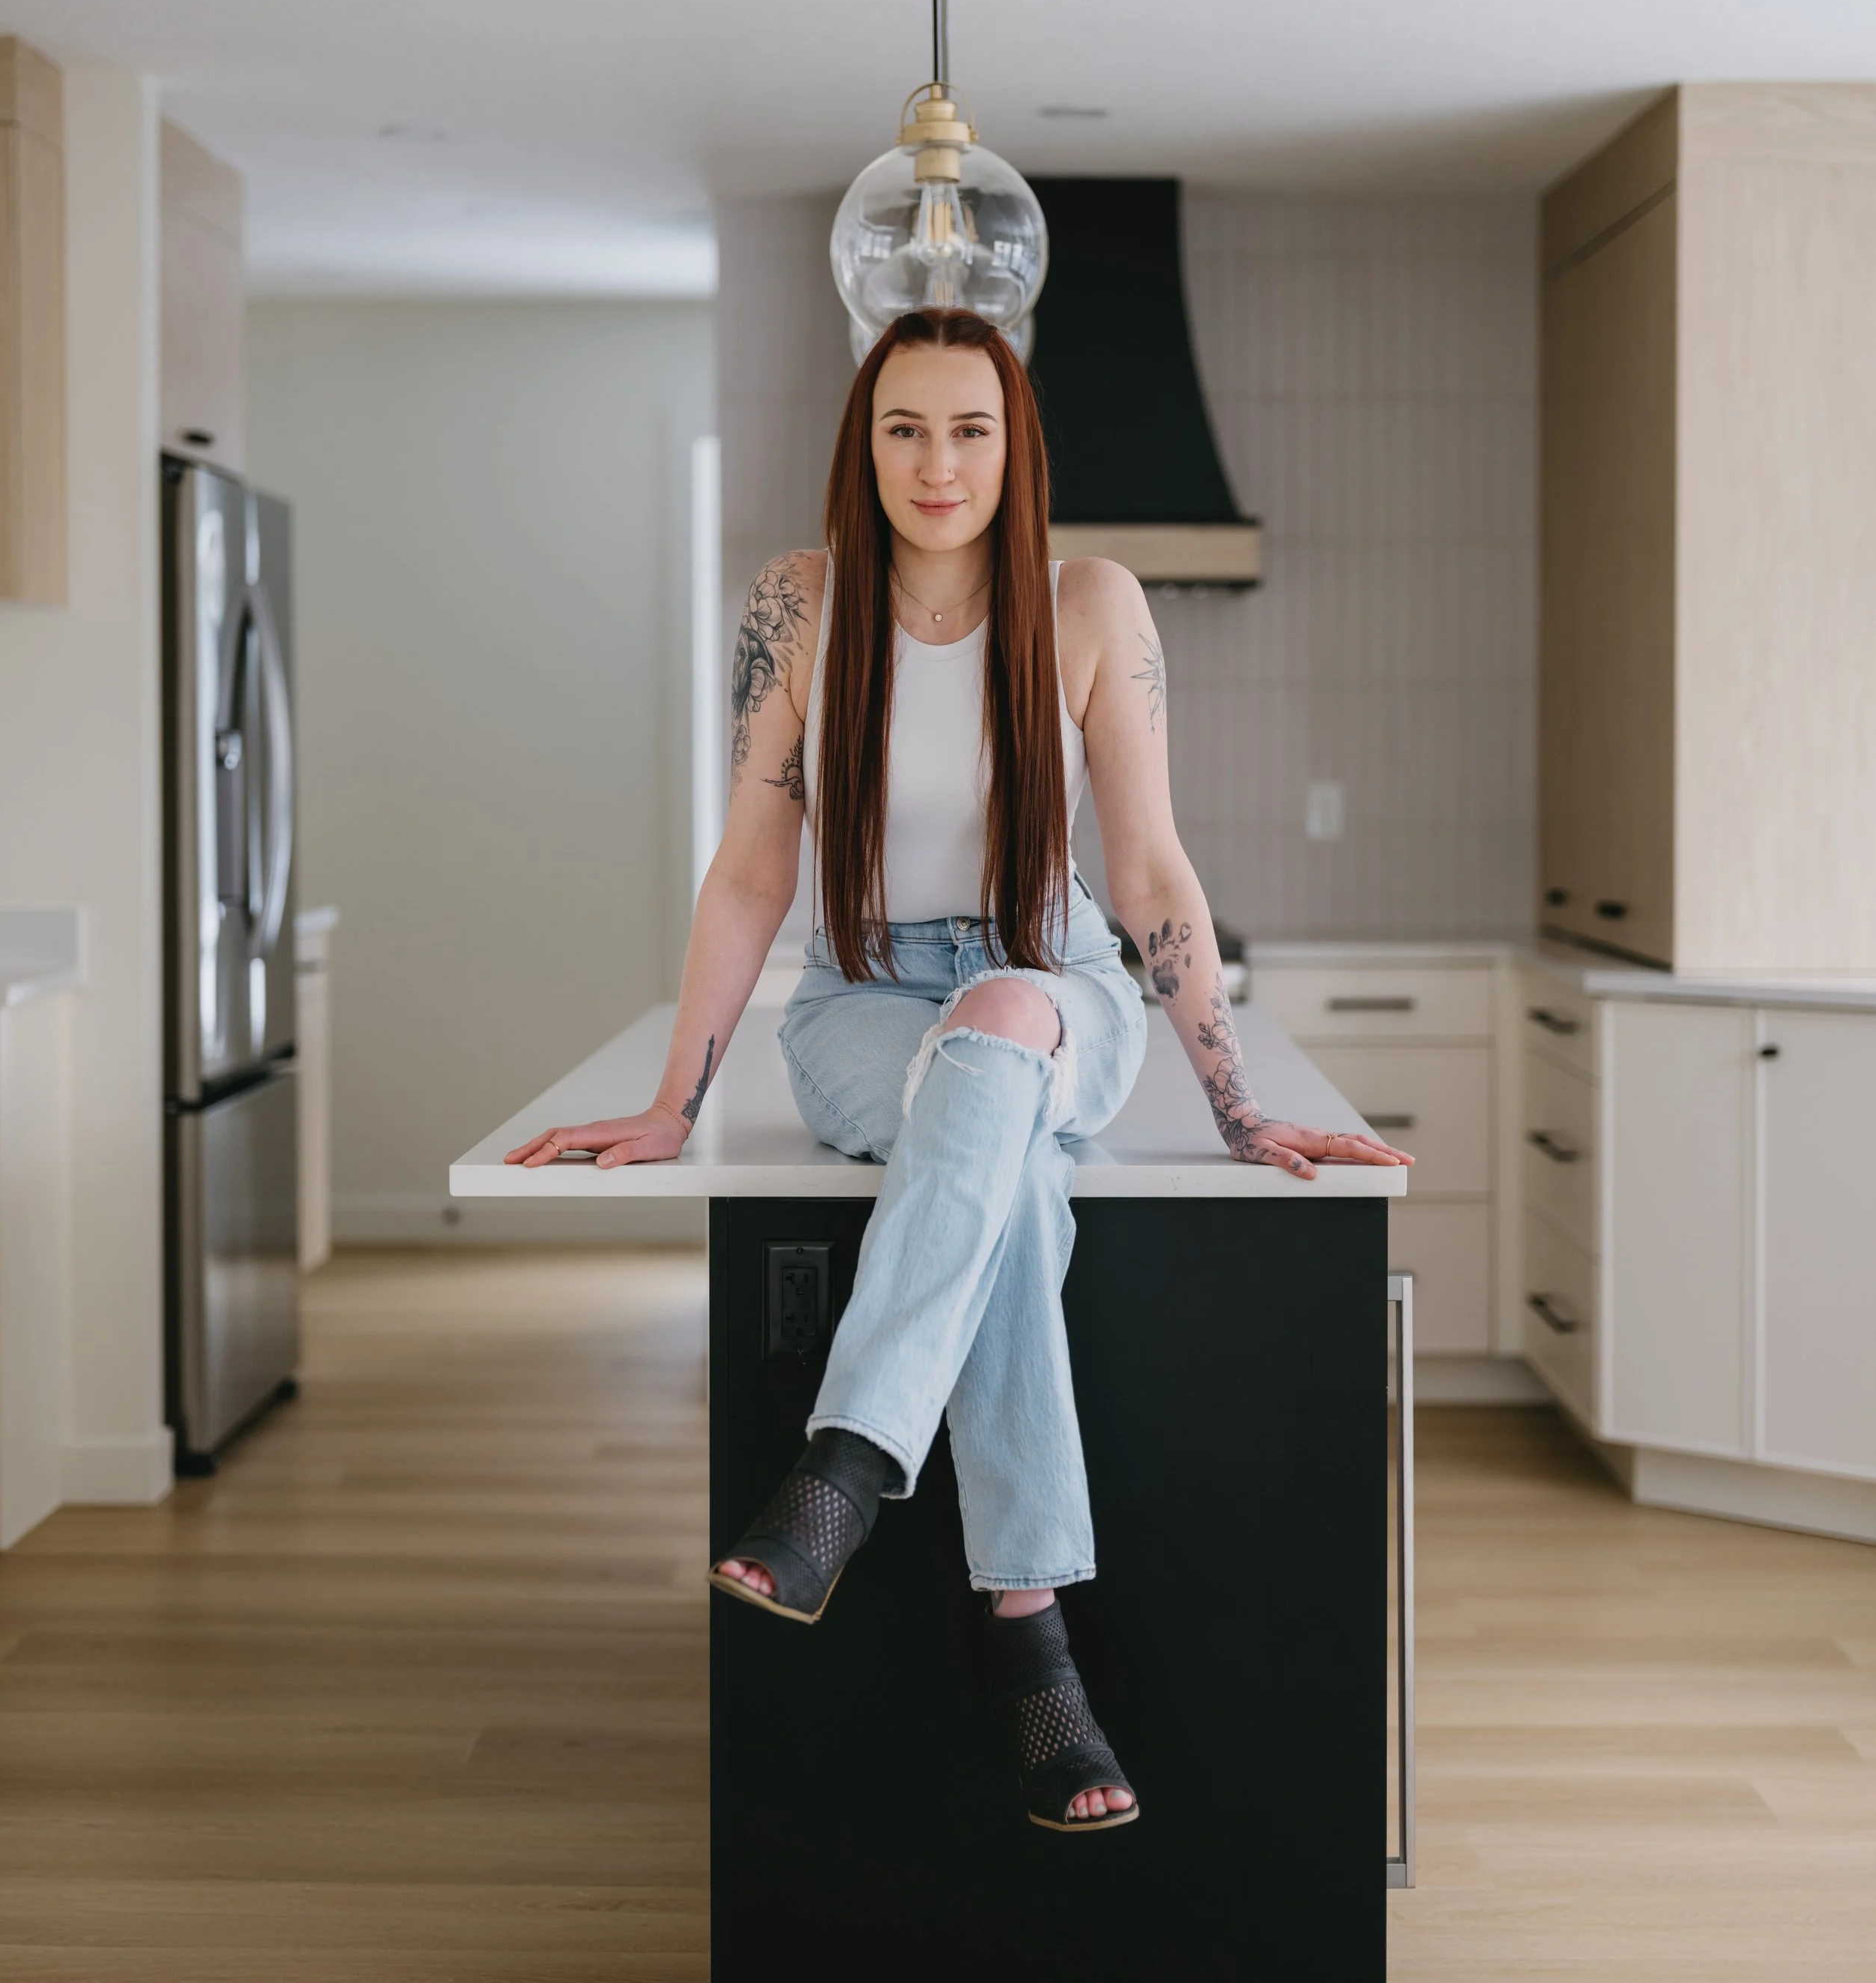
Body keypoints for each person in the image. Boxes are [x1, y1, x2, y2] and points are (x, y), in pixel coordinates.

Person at [506, 306, 1413, 1833]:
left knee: (996, 1033)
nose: (938, 463)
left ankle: (845, 1469)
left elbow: (1144, 865)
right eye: (905, 429)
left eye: (970, 430)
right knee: (1008, 1196)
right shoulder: (797, 608)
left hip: (1054, 983)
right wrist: (676, 1101)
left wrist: (1236, 1099)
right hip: (859, 1004)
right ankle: (1031, 1645)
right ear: (862, 449)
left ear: (1017, 448)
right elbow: (747, 873)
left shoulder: (1088, 606)